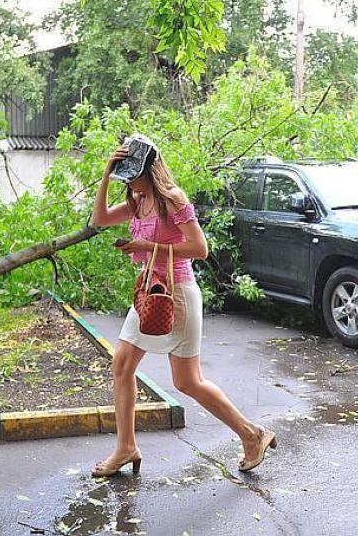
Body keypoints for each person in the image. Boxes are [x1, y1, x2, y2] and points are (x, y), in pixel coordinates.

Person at [89, 135, 277, 477]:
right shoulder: (137, 200)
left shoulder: (172, 200)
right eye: (125, 176)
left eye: (134, 174)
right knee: (121, 366)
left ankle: (252, 434)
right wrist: (107, 173)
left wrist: (148, 245)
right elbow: (100, 218)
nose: (130, 181)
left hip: (177, 295)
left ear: (151, 169)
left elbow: (200, 248)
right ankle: (126, 447)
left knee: (188, 382)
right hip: (148, 292)